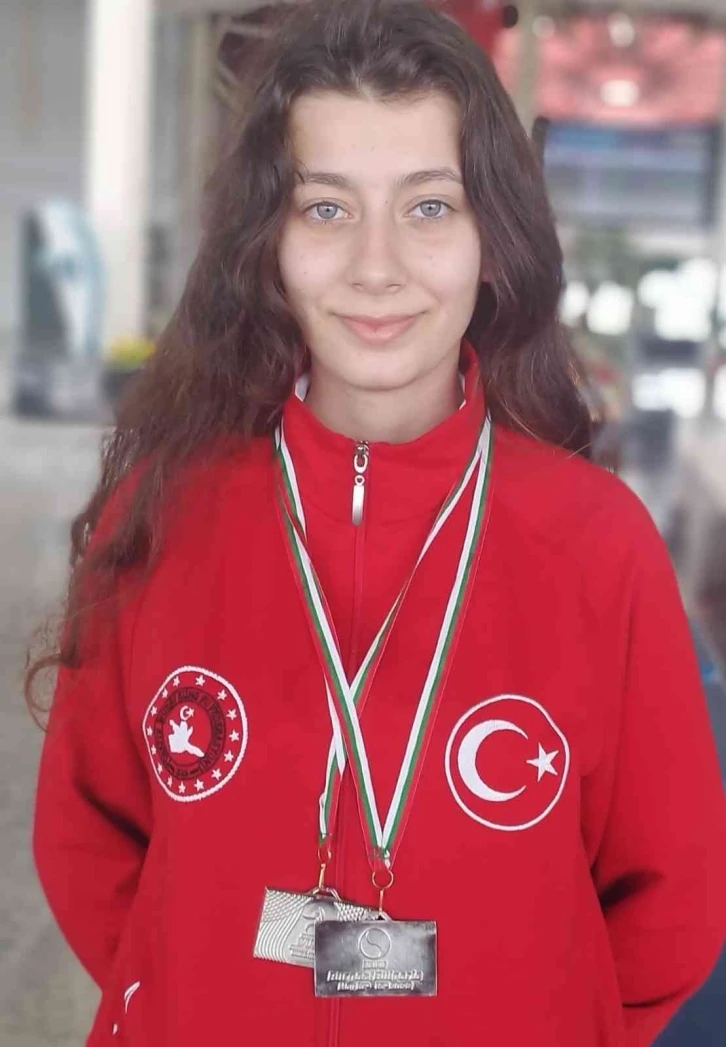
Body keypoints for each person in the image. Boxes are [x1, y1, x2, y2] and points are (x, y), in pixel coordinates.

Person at [30, 0, 726, 1044]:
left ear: (492, 238)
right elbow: (92, 843)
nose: (376, 265)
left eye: (429, 206)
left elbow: (669, 903)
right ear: (267, 241)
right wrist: (197, 998)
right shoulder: (165, 515)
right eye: (326, 208)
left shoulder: (598, 543)